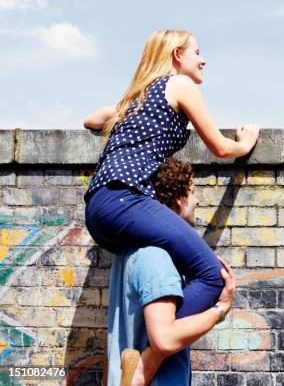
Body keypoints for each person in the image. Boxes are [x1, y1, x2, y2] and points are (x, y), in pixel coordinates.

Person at [83, 29, 258, 382]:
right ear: (177, 55)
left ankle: (155, 338)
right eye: (197, 52)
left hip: (99, 207)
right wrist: (245, 143)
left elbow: (91, 120)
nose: (203, 59)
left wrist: (121, 116)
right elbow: (221, 149)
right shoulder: (179, 86)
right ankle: (153, 351)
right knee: (212, 274)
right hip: (126, 198)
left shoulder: (135, 98)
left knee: (154, 264)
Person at [107, 158, 236, 386]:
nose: (198, 201)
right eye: (193, 192)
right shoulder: (157, 258)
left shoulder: (129, 254)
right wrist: (221, 309)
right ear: (178, 199)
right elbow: (164, 340)